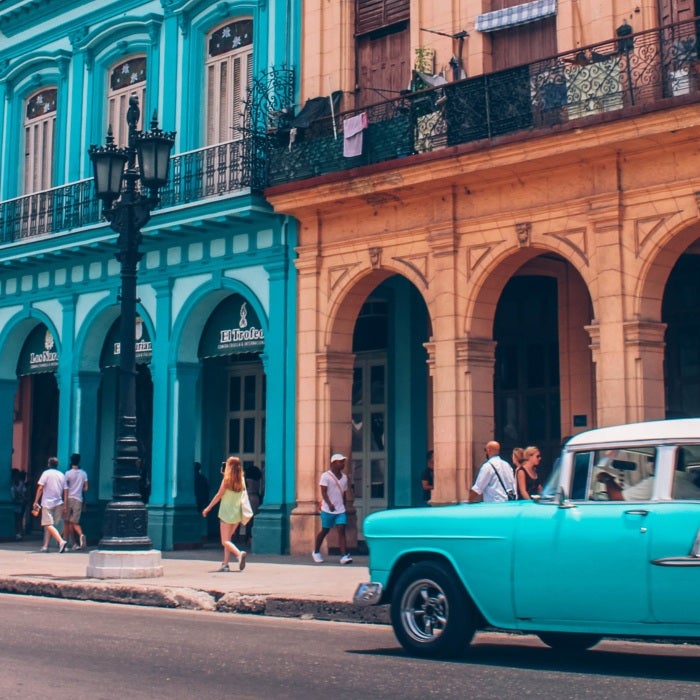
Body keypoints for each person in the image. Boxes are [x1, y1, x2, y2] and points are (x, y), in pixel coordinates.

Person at [202, 456, 248, 572]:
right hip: (237, 513)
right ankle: (225, 564)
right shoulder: (241, 480)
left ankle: (239, 554)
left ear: (229, 467)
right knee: (228, 539)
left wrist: (208, 508)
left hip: (226, 513)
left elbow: (218, 496)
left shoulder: (226, 481)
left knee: (224, 541)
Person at [313, 453, 352, 565]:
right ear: (334, 463)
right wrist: (329, 504)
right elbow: (323, 491)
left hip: (340, 509)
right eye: (340, 461)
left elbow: (343, 493)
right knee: (325, 530)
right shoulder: (326, 476)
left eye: (343, 461)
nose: (343, 464)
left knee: (341, 529)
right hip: (327, 509)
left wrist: (344, 505)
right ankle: (316, 551)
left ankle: (344, 555)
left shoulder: (344, 478)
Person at [33, 457, 68, 553]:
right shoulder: (61, 475)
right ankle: (45, 545)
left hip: (47, 503)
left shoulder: (46, 473)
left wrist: (36, 501)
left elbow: (40, 488)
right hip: (58, 503)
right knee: (51, 525)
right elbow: (66, 490)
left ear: (49, 464)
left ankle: (61, 541)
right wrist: (65, 504)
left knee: (47, 524)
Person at [63, 453, 88, 550]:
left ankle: (65, 543)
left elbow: (65, 489)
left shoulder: (68, 473)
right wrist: (79, 488)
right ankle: (79, 538)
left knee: (66, 522)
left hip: (69, 498)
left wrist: (64, 503)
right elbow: (86, 488)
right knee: (74, 522)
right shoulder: (83, 473)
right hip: (79, 499)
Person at [243, 464, 263, 548]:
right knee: (253, 520)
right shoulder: (257, 480)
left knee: (247, 520)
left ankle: (247, 538)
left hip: (247, 498)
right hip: (256, 498)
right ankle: (251, 538)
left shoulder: (246, 480)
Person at [10, 468, 28, 540]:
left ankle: (19, 533)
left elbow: (24, 493)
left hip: (19, 503)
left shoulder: (19, 484)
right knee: (18, 519)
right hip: (17, 502)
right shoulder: (14, 484)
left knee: (19, 519)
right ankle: (19, 533)